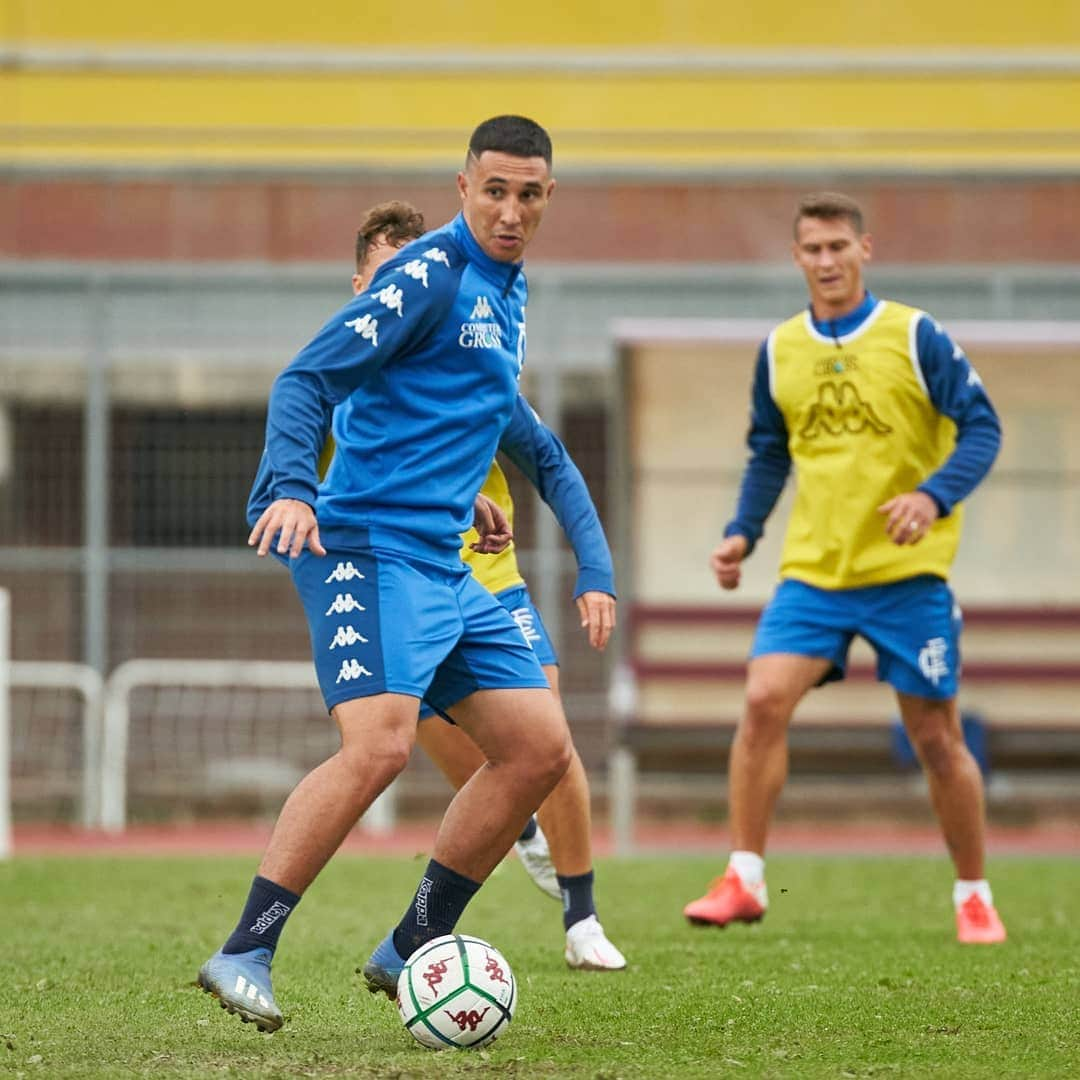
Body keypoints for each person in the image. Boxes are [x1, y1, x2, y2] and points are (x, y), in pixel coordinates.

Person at [197, 116, 601, 1035]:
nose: (509, 209)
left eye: (527, 194)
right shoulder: (428, 273)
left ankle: (412, 941)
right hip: (362, 551)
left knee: (539, 748)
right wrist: (291, 488)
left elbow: (444, 417)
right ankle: (245, 950)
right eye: (493, 190)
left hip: (444, 562)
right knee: (378, 747)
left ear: (546, 200)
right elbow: (306, 379)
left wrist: (465, 499)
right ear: (463, 187)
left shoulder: (509, 290)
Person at [682, 192, 1007, 945]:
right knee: (763, 700)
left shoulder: (915, 335)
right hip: (815, 576)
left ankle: (973, 893)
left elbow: (982, 428)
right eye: (813, 250)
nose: (826, 261)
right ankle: (744, 879)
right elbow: (769, 451)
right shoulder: (780, 350)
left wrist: (933, 495)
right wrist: (741, 533)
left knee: (934, 737)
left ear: (867, 249)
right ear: (797, 258)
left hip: (908, 576)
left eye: (839, 247)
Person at [341, 199, 625, 970]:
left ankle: (581, 916)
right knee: (446, 757)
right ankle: (485, 866)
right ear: (359, 283)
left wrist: (596, 571)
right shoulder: (341, 374)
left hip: (486, 587)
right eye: (383, 276)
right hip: (392, 588)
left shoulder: (470, 368)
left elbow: (552, 464)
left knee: (549, 739)